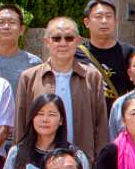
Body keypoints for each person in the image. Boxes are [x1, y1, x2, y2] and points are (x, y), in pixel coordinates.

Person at [18, 16, 111, 155]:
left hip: (81, 159)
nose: (63, 43)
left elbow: (101, 124)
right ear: (46, 42)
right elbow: (21, 124)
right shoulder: (29, 77)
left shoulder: (92, 77)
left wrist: (101, 161)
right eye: (56, 38)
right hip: (38, 160)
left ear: (78, 41)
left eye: (69, 38)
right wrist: (20, 158)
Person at [4, 94, 79, 169]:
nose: (45, 119)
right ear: (32, 118)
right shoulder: (17, 153)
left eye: (51, 115)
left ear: (61, 120)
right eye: (40, 114)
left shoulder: (75, 155)